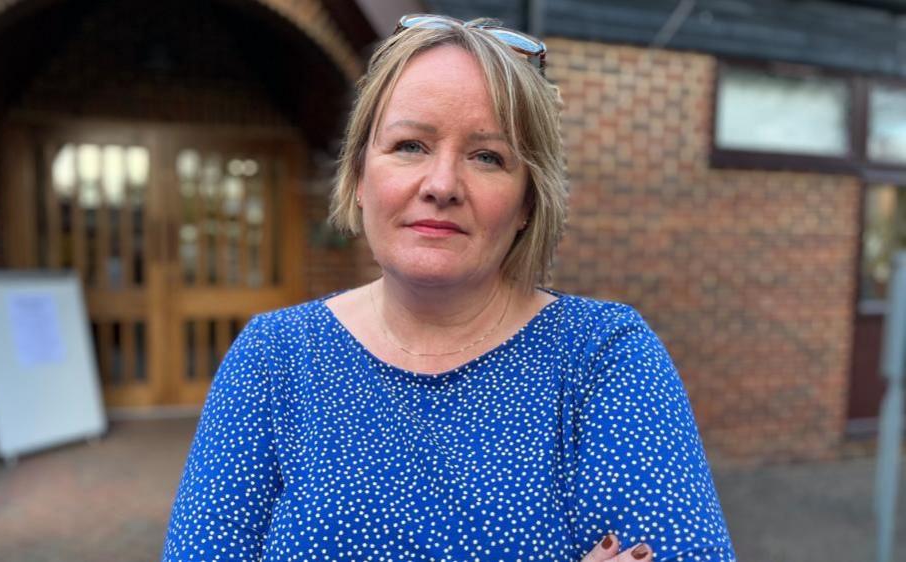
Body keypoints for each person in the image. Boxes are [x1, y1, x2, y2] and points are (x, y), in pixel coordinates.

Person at [163, 14, 735, 562]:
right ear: (361, 176)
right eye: (410, 146)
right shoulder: (275, 357)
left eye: (487, 157)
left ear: (526, 203)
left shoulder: (601, 357)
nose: (441, 185)